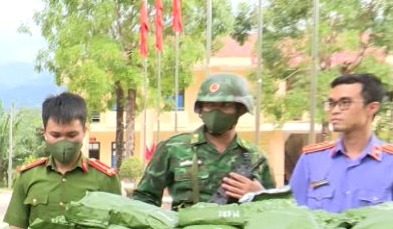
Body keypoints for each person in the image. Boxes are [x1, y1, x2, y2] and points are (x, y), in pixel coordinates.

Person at [133, 72, 275, 209]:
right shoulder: (173, 148)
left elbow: (278, 212)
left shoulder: (255, 157)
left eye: (225, 106)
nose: (216, 112)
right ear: (201, 109)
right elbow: (144, 199)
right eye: (210, 105)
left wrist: (259, 196)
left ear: (240, 110)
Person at [4, 92, 121, 229]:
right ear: (45, 133)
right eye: (56, 135)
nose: (64, 142)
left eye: (72, 135)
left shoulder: (106, 179)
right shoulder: (28, 176)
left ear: (84, 131)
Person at [290, 73, 393, 213]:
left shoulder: (389, 162)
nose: (335, 110)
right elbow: (293, 213)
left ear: (372, 108)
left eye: (345, 103)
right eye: (331, 104)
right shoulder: (312, 160)